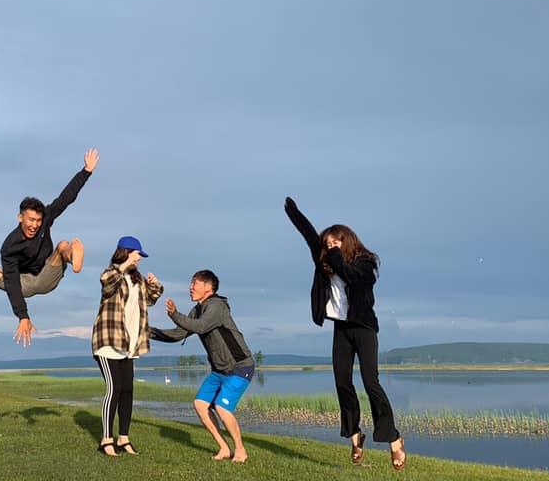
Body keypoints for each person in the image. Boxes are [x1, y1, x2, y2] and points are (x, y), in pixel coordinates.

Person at [283, 196, 406, 471]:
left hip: (363, 328)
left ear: (347, 240)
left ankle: (394, 439)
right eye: (327, 245)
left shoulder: (366, 263)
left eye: (334, 243)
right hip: (341, 329)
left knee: (370, 382)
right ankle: (354, 436)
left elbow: (350, 277)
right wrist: (294, 213)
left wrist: (336, 255)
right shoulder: (326, 258)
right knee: (342, 382)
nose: (329, 248)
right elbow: (308, 235)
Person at [0, 148, 98, 346]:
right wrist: (23, 316)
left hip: (47, 274)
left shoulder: (45, 219)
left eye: (38, 220)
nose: (35, 225)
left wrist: (86, 171)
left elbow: (65, 198)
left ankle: (73, 257)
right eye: (31, 220)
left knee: (62, 245)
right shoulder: (10, 246)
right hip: (23, 284)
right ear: (20, 217)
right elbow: (12, 283)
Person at [150, 269, 254, 464]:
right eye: (191, 283)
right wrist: (149, 331)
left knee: (222, 408)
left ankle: (240, 450)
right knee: (200, 404)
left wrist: (174, 314)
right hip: (219, 369)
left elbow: (201, 326)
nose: (190, 287)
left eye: (194, 283)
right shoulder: (197, 310)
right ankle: (224, 448)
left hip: (240, 365)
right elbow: (178, 334)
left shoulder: (217, 306)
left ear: (208, 287)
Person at [91, 236, 163, 457]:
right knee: (114, 389)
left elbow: (150, 300)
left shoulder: (137, 278)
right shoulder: (111, 272)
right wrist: (124, 266)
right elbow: (107, 283)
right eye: (137, 255)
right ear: (127, 252)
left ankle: (124, 438)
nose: (140, 259)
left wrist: (155, 285)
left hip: (128, 344)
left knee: (127, 391)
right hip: (107, 342)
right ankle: (106, 440)